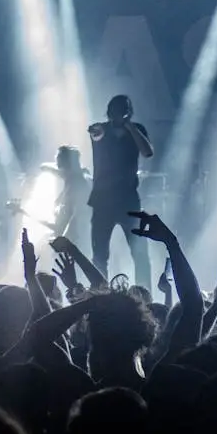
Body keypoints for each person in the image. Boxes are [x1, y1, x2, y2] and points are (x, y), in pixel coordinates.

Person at [88, 94, 155, 288]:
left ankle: (145, 293)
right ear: (110, 112)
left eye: (123, 112)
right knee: (100, 254)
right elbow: (95, 135)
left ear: (128, 113)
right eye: (115, 112)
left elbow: (147, 152)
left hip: (128, 201)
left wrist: (131, 128)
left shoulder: (137, 130)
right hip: (102, 200)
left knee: (139, 252)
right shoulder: (101, 129)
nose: (118, 116)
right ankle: (100, 295)